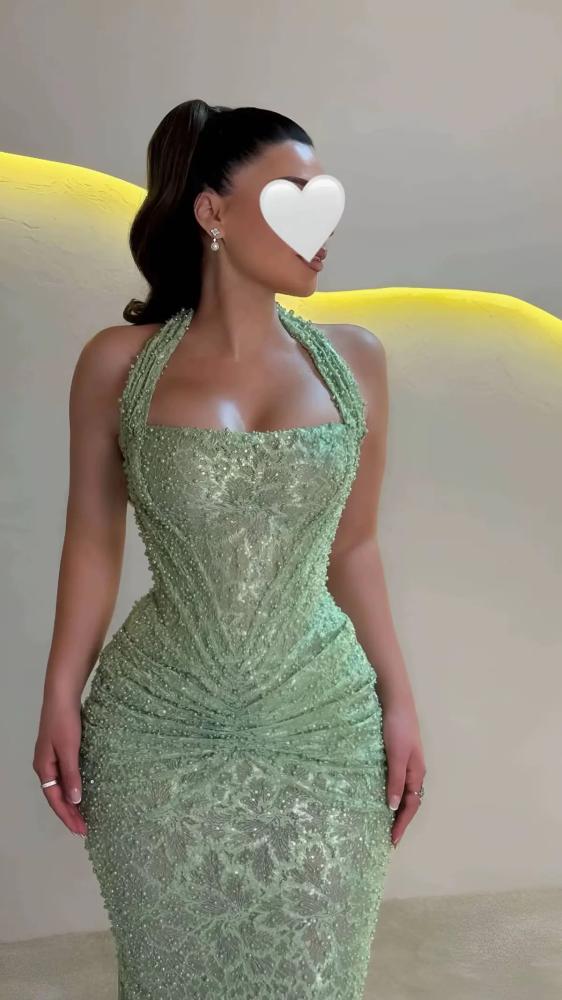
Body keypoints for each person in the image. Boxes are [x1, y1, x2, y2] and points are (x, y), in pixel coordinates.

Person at [33, 99, 426, 999]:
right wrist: (59, 694)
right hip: (155, 724)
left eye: (324, 198)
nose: (321, 226)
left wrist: (399, 703)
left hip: (325, 721)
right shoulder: (118, 364)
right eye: (292, 196)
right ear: (212, 211)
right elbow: (92, 539)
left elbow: (355, 547)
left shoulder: (355, 360)